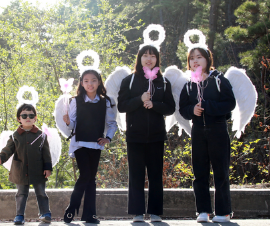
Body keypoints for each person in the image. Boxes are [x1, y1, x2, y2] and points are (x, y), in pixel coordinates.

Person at [179, 30, 236, 223]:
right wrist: (191, 111)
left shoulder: (219, 80)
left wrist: (207, 106)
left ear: (207, 59)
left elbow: (230, 104)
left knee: (221, 172)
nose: (195, 61)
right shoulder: (188, 85)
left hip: (218, 129)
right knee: (199, 173)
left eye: (199, 57)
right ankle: (203, 211)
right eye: (192, 58)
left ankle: (224, 212)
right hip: (198, 131)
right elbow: (182, 108)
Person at [117, 42, 175, 222]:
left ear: (157, 59)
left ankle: (156, 212)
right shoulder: (130, 80)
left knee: (156, 174)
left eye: (152, 56)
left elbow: (170, 107)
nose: (148, 59)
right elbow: (122, 106)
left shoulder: (163, 82)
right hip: (135, 136)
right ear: (139, 58)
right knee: (136, 175)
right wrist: (139, 99)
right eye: (145, 55)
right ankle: (137, 212)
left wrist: (154, 105)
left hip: (156, 136)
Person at [62, 50, 118, 224]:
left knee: (91, 179)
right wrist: (66, 122)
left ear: (99, 81)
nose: (90, 83)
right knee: (85, 175)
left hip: (96, 144)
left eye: (93, 80)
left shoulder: (106, 101)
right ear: (82, 83)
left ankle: (89, 215)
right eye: (86, 81)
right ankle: (72, 207)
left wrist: (108, 138)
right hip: (79, 144)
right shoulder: (75, 101)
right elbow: (72, 125)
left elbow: (112, 123)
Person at [0, 103, 53, 224]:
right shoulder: (15, 136)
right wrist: (0, 158)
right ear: (19, 118)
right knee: (21, 194)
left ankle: (45, 213)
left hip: (38, 170)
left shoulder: (41, 135)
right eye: (24, 115)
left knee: (41, 193)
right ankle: (19, 215)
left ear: (35, 118)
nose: (28, 117)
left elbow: (46, 153)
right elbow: (8, 150)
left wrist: (48, 167)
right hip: (20, 170)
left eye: (31, 115)